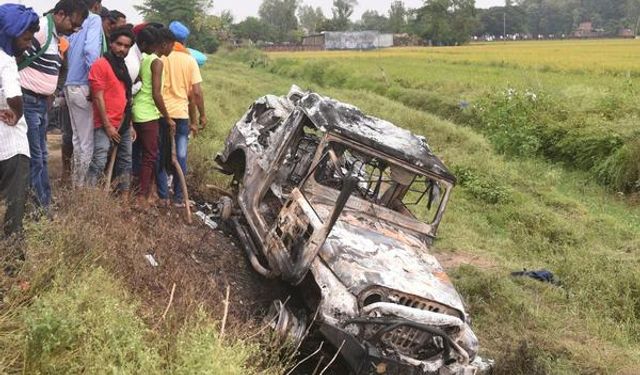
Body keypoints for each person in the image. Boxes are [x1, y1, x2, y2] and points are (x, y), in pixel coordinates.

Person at [19, 0, 88, 213]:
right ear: (60, 14)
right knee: (35, 157)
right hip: (28, 101)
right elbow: (14, 60)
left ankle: (44, 200)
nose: (75, 30)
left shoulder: (58, 38)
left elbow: (59, 69)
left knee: (43, 157)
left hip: (42, 103)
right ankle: (37, 208)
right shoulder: (39, 30)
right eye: (74, 24)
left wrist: (53, 91)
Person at [156, 21, 207, 207]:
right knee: (181, 156)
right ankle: (178, 198)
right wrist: (201, 117)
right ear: (184, 40)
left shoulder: (160, 57)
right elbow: (196, 93)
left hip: (161, 113)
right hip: (181, 115)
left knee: (161, 155)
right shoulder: (189, 60)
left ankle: (162, 196)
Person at [0, 4, 40, 238]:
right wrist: (17, 113)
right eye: (26, 38)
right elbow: (14, 95)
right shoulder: (6, 59)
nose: (28, 44)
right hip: (12, 148)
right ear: (9, 34)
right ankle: (13, 265)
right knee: (14, 212)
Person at [86, 27, 135, 194]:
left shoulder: (123, 67)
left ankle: (123, 198)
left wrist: (130, 125)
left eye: (126, 46)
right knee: (99, 160)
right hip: (105, 123)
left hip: (123, 123)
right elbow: (97, 97)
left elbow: (127, 98)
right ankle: (88, 198)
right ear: (111, 44)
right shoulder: (101, 65)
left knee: (126, 160)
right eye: (119, 44)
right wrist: (107, 126)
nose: (122, 49)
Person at [131, 26, 175, 207]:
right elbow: (156, 94)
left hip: (137, 110)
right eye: (172, 45)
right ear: (164, 44)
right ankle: (142, 197)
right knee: (150, 156)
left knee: (138, 154)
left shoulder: (143, 57)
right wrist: (168, 117)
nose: (172, 49)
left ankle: (139, 192)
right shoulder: (157, 62)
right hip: (148, 113)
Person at [65, 0, 103, 187]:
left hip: (69, 84)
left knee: (78, 139)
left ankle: (76, 184)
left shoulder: (73, 21)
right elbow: (91, 50)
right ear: (96, 4)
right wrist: (93, 80)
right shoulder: (94, 19)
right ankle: (83, 189)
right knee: (87, 142)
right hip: (84, 84)